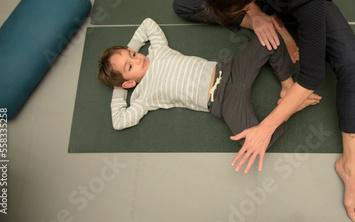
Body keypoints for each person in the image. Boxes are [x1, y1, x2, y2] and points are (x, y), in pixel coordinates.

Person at [173, 0, 355, 221]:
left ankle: (350, 166)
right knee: (184, 3)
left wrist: (265, 129)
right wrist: (255, 15)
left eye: (244, 6)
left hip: (302, 4)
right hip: (261, 2)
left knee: (353, 63)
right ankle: (271, 23)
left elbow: (312, 77)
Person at [97, 18, 321, 146]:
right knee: (250, 142)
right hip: (223, 101)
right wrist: (119, 87)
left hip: (229, 70)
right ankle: (291, 107)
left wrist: (130, 50)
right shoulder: (141, 98)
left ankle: (288, 87)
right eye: (130, 67)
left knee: (270, 38)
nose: (137, 59)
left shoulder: (158, 51)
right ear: (127, 84)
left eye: (133, 55)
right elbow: (119, 120)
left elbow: (147, 25)